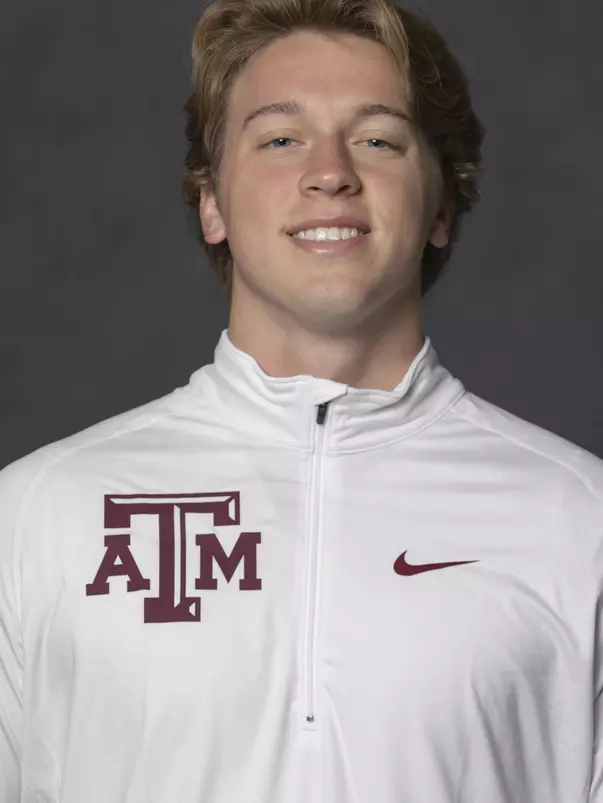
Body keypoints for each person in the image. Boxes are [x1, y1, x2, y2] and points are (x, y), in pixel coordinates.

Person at [1, 0, 602, 800]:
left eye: (377, 139)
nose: (329, 172)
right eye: (280, 138)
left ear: (440, 207)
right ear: (211, 201)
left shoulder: (579, 517)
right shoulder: (36, 514)